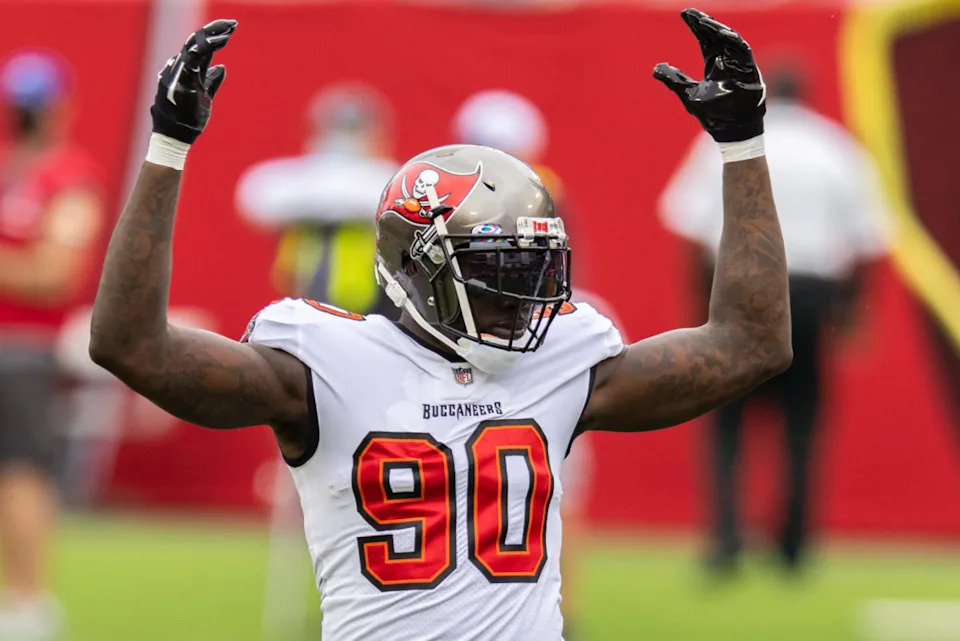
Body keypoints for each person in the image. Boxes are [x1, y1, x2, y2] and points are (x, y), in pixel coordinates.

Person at [89, 11, 791, 639]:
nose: (522, 297)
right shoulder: (322, 362)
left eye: (532, 270)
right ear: (415, 268)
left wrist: (742, 143)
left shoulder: (563, 357)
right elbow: (131, 345)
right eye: (499, 271)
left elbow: (751, 344)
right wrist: (168, 147)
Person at [660, 65, 890, 573]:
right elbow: (868, 240)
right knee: (801, 422)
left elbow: (695, 231)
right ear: (806, 95)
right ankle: (793, 545)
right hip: (810, 293)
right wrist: (853, 315)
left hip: (740, 285)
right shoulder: (836, 148)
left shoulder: (727, 145)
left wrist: (702, 309)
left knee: (727, 422)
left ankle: (725, 542)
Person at [452, 88, 624, 639]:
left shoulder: (575, 315)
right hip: (483, 367)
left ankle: (559, 608)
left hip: (532, 355)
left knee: (555, 492)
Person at [0, 50, 103, 639]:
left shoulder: (67, 177)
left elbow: (56, 272)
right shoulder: (11, 169)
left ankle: (27, 601)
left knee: (21, 471)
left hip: (23, 348)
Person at [235, 83, 398, 315]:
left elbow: (381, 200)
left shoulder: (389, 178)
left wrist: (324, 200)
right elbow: (256, 199)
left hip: (371, 302)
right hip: (303, 298)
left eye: (353, 130)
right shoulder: (293, 179)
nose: (345, 140)